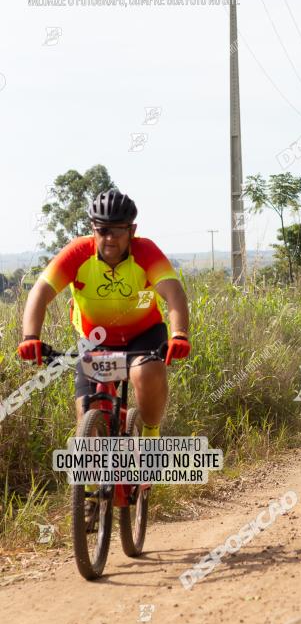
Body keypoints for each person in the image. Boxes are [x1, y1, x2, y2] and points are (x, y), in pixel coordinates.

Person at [17, 188, 191, 438]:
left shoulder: (145, 251)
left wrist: (180, 334)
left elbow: (174, 293)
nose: (110, 238)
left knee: (146, 372)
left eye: (118, 230)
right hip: (95, 340)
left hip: (143, 335)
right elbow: (40, 292)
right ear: (93, 229)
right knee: (86, 419)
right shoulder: (78, 252)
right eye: (102, 230)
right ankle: (96, 474)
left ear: (132, 231)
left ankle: (151, 433)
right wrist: (29, 336)